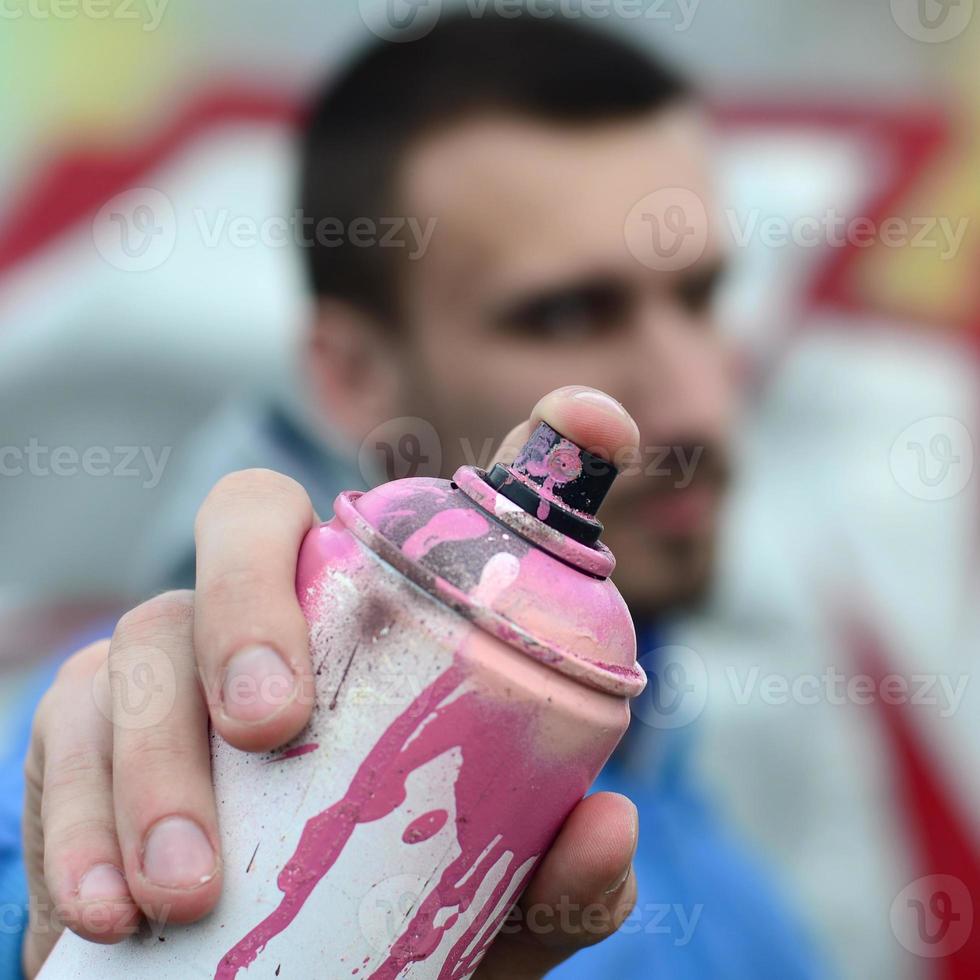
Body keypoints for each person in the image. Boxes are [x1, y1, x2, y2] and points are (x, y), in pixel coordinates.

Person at [4, 12, 828, 979]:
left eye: (699, 299)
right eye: (564, 314)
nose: (691, 405)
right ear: (353, 375)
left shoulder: (726, 879)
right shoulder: (132, 748)